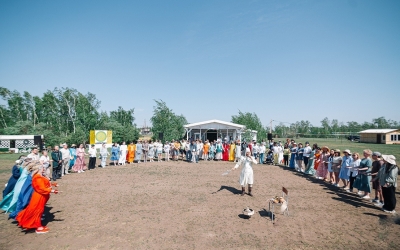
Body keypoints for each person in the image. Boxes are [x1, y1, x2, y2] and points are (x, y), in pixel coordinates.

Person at [16, 161, 59, 234]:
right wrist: (52, 190)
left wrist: (53, 184)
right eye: (43, 168)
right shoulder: (37, 177)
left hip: (42, 196)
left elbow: (44, 183)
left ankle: (33, 223)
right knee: (37, 211)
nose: (44, 169)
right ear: (39, 169)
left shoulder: (40, 176)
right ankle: (38, 227)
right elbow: (41, 188)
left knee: (38, 210)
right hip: (39, 197)